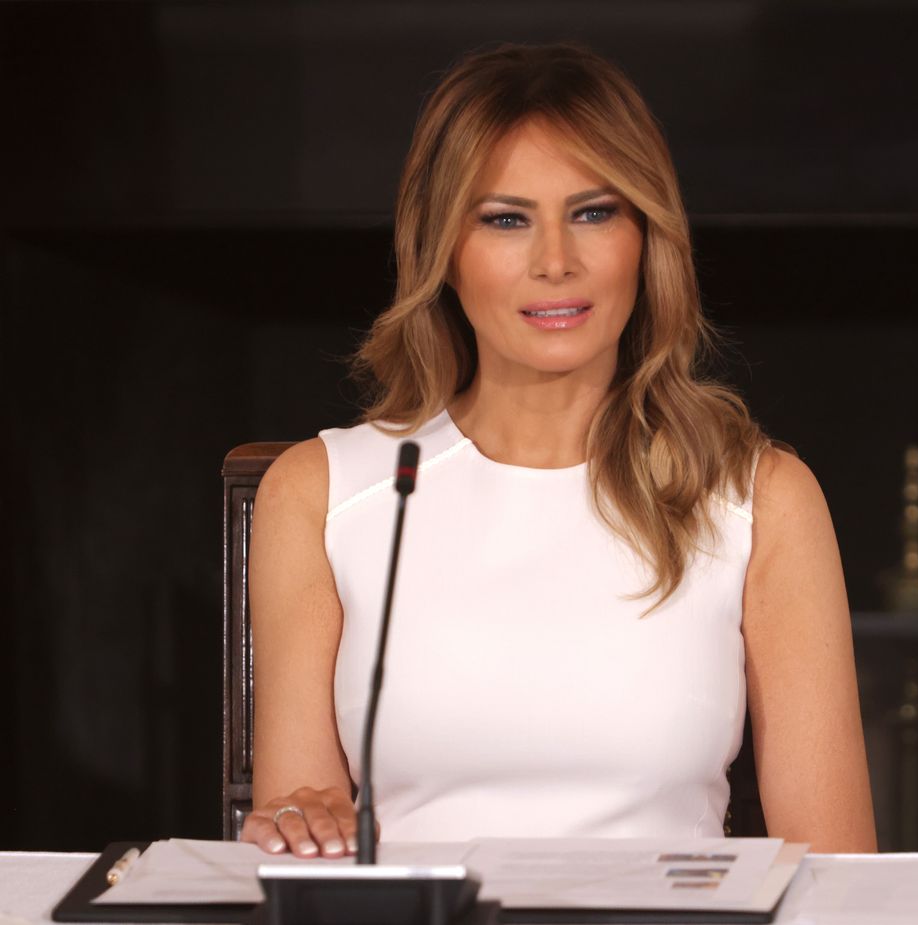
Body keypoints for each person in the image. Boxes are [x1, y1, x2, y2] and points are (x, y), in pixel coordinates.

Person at [241, 42, 876, 858]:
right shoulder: (323, 493)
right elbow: (302, 839)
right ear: (443, 250)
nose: (555, 262)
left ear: (646, 239)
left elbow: (837, 878)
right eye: (505, 219)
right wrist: (298, 822)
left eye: (594, 212)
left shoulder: (762, 499)